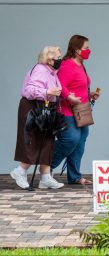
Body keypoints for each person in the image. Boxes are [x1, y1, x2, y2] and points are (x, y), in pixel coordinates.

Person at [11, 46, 64, 189]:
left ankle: (45, 176)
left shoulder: (52, 72)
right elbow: (29, 90)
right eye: (58, 58)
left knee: (48, 139)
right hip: (33, 106)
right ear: (49, 59)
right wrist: (47, 91)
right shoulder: (40, 70)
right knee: (33, 139)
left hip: (46, 106)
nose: (61, 60)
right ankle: (20, 171)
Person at [51, 35, 100, 185]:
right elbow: (59, 85)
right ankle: (47, 168)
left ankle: (74, 176)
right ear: (77, 49)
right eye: (86, 48)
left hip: (81, 110)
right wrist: (69, 97)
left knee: (80, 140)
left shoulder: (80, 64)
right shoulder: (67, 65)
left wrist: (90, 94)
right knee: (70, 139)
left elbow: (77, 85)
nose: (88, 51)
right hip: (66, 110)